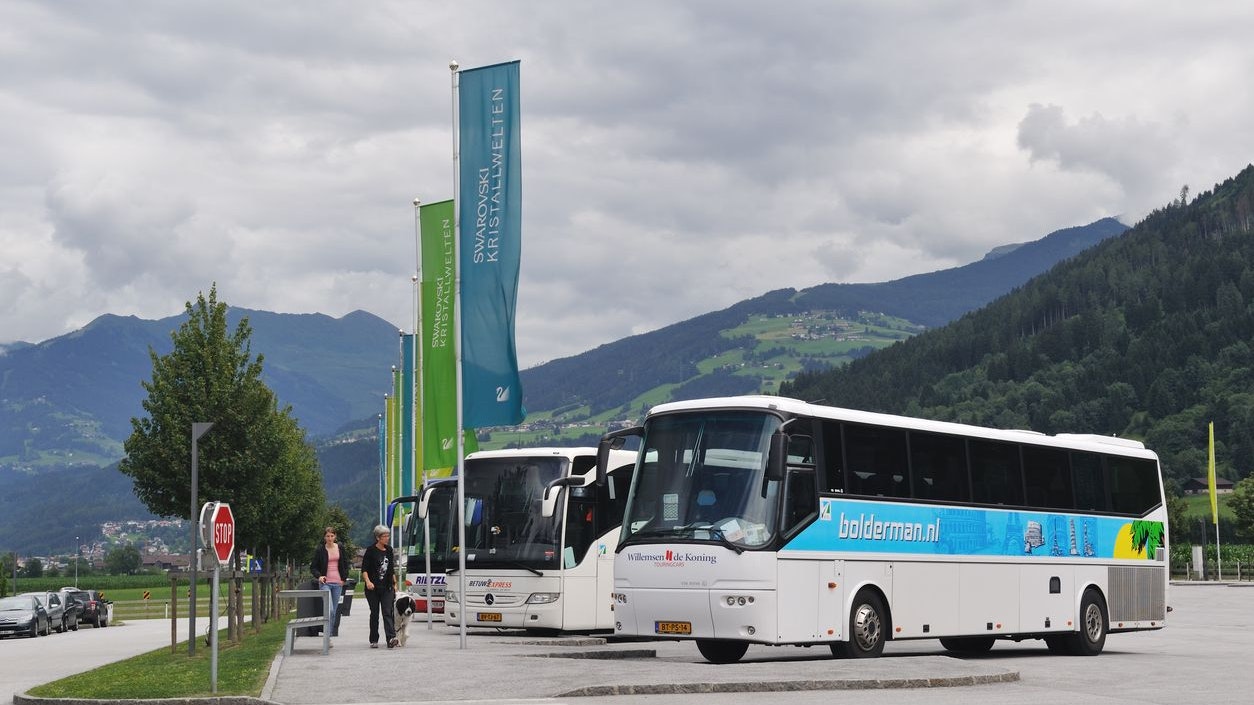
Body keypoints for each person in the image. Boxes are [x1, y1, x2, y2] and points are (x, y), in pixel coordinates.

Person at [360, 524, 398, 648]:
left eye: (388, 536)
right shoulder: (370, 550)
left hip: (387, 587)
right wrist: (368, 582)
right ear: (378, 537)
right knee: (375, 613)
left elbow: (391, 569)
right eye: (384, 536)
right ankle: (374, 639)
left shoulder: (389, 550)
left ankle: (391, 638)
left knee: (387, 612)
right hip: (373, 588)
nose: (387, 538)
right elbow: (364, 569)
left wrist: (395, 583)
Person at [310, 526, 349, 637]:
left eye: (332, 536)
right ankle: (327, 635)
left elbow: (345, 564)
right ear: (324, 537)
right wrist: (319, 576)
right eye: (328, 536)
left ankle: (329, 635)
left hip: (338, 583)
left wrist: (343, 579)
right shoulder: (320, 550)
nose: (330, 538)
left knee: (334, 611)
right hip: (325, 583)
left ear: (335, 536)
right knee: (330, 610)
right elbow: (313, 567)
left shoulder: (340, 547)